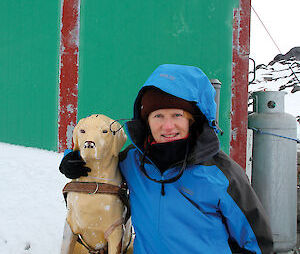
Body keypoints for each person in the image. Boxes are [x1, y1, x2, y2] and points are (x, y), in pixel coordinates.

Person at [60, 64, 273, 254]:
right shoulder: (133, 163)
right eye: (158, 116)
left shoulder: (221, 173)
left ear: (193, 119)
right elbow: (101, 164)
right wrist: (73, 160)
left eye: (177, 115)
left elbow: (257, 243)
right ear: (147, 121)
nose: (168, 126)